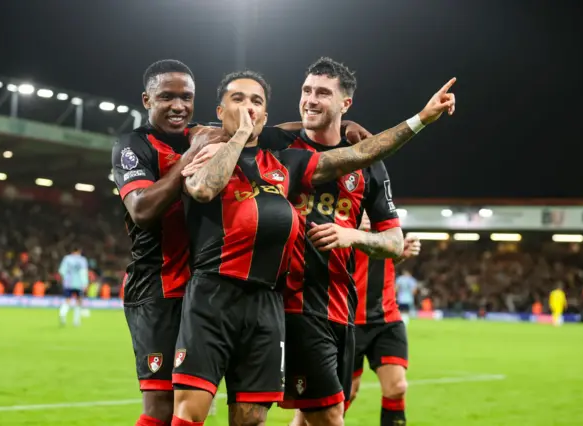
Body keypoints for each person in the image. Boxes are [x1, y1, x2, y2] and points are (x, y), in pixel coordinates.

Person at [175, 66, 455, 426]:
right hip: (283, 302)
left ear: (346, 103)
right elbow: (214, 137)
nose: (310, 99)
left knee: (297, 415)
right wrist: (216, 141)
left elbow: (387, 228)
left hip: (335, 307)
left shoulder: (335, 162)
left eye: (323, 93)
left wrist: (353, 235)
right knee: (326, 415)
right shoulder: (278, 145)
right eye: (306, 90)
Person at [111, 59, 226, 426]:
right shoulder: (132, 145)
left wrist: (339, 124)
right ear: (147, 99)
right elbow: (142, 209)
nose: (178, 105)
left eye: (186, 97)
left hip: (202, 289)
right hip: (157, 287)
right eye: (166, 97)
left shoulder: (203, 134)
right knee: (160, 406)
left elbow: (264, 131)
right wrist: (189, 160)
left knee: (197, 404)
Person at [348, 212, 421, 426]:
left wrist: (400, 251)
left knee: (397, 388)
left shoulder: (384, 212)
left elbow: (382, 261)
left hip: (386, 316)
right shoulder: (341, 207)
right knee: (345, 395)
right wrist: (349, 227)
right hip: (347, 319)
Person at [58, 247, 89, 326]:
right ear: (79, 251)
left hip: (68, 283)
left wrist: (65, 279)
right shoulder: (82, 260)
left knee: (67, 300)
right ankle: (76, 321)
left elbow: (61, 271)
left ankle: (62, 313)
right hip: (79, 284)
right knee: (78, 301)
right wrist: (85, 283)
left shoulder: (66, 259)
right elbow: (83, 272)